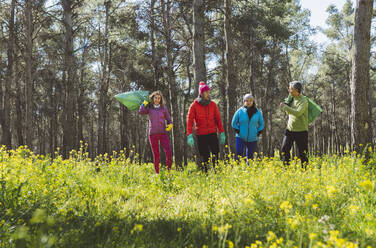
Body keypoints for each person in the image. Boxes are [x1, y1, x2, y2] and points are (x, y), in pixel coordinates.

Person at [186, 81, 226, 172]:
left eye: (209, 92)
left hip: (212, 133)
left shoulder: (213, 105)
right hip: (201, 134)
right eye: (206, 92)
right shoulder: (194, 105)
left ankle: (216, 171)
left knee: (216, 153)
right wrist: (189, 135)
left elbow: (218, 119)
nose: (208, 94)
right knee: (205, 155)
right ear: (201, 93)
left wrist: (222, 132)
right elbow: (190, 120)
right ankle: (206, 174)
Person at [139, 91, 173, 174]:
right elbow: (141, 111)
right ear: (152, 99)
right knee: (156, 155)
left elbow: (169, 119)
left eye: (159, 98)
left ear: (161, 99)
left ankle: (169, 172)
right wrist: (144, 103)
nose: (157, 100)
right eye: (155, 98)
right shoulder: (149, 109)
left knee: (168, 153)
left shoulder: (163, 109)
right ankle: (157, 173)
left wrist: (170, 124)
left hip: (163, 133)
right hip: (153, 134)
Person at [280, 81, 309, 167]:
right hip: (290, 130)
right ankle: (287, 170)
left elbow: (298, 113)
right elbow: (289, 114)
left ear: (296, 90)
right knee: (284, 149)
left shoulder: (304, 101)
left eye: (291, 89)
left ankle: (305, 172)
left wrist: (285, 107)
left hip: (301, 131)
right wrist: (286, 107)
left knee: (303, 153)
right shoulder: (291, 99)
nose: (289, 90)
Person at [231, 94, 264, 160]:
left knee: (250, 157)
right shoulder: (239, 111)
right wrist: (238, 131)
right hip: (240, 137)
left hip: (253, 138)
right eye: (246, 101)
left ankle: (249, 169)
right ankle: (238, 169)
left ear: (253, 101)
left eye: (250, 101)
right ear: (244, 101)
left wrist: (258, 132)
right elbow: (233, 123)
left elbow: (262, 123)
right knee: (239, 155)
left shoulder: (257, 112)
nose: (248, 102)